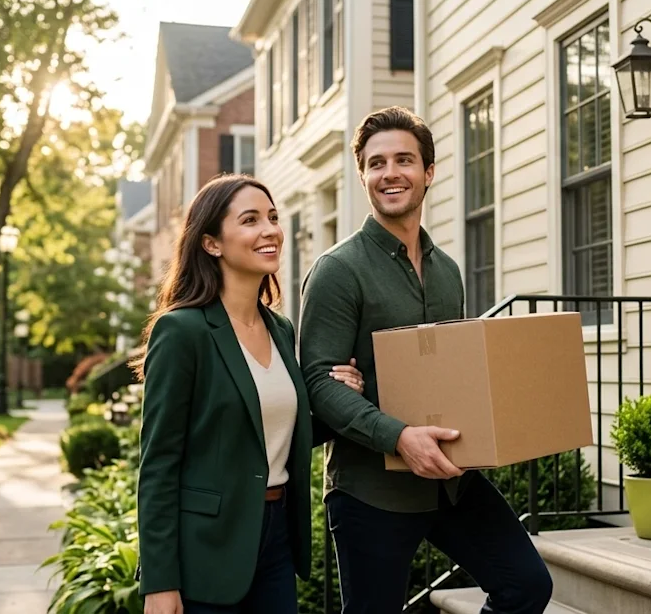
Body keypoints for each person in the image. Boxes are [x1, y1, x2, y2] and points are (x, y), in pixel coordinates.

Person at [298, 107, 554, 613]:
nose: (389, 173)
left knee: (526, 585)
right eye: (375, 163)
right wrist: (397, 436)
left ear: (428, 172)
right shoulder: (337, 271)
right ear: (363, 177)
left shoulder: (447, 271)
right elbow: (317, 382)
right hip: (372, 491)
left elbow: (448, 374)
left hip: (450, 483)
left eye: (403, 160)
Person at [135, 173, 366, 614]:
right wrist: (160, 581)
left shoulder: (281, 330)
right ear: (211, 243)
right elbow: (159, 463)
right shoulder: (182, 331)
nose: (270, 230)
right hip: (206, 549)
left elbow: (272, 432)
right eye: (250, 220)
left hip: (276, 539)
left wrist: (339, 399)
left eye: (273, 217)